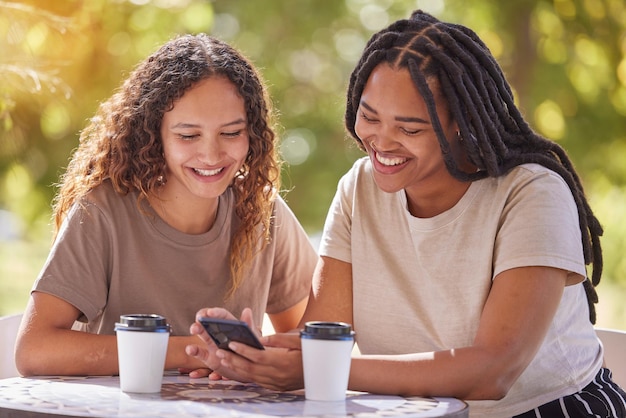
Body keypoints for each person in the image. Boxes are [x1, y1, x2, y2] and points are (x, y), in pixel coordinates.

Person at [185, 10, 626, 418]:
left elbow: (494, 372)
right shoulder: (359, 189)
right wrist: (251, 354)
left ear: (461, 124)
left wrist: (325, 372)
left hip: (548, 409)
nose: (381, 141)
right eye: (369, 117)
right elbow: (319, 339)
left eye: (409, 128)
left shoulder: (532, 193)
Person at [14, 34, 317, 377]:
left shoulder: (263, 211)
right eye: (188, 136)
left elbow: (305, 339)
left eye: (231, 133)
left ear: (253, 134)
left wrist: (251, 355)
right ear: (153, 135)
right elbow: (35, 350)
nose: (211, 155)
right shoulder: (103, 213)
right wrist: (196, 351)